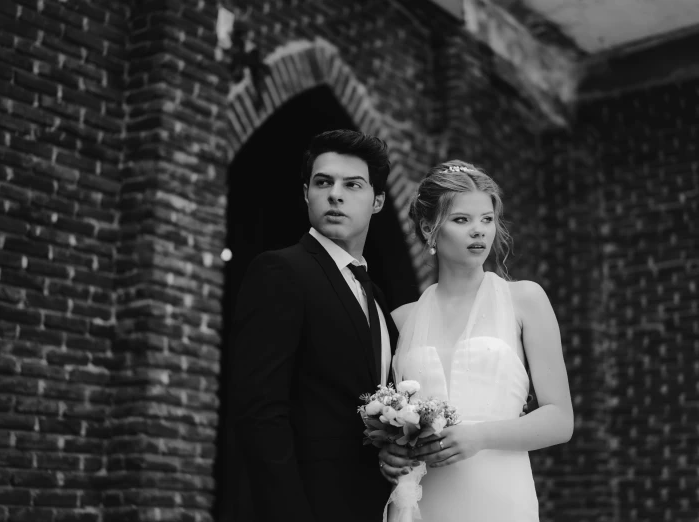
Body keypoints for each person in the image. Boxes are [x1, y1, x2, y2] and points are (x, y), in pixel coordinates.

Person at [379, 160, 574, 521]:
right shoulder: (400, 320)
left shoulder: (525, 300)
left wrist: (478, 437)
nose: (478, 232)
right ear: (428, 228)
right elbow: (390, 427)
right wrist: (388, 452)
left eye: (487, 219)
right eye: (461, 220)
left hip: (501, 496)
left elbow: (561, 420)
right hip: (425, 499)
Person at [231, 130, 400, 522]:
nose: (335, 194)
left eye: (352, 185)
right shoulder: (280, 271)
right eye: (323, 182)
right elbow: (260, 413)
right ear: (306, 193)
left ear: (377, 202)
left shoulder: (376, 296)